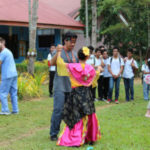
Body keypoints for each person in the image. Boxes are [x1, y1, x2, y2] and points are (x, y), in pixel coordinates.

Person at [56, 46, 101, 147]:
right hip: (86, 94)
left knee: (76, 115)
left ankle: (76, 139)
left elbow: (60, 64)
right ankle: (90, 137)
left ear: (77, 56)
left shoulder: (72, 67)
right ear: (87, 57)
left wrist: (59, 52)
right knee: (89, 114)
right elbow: (95, 76)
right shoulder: (90, 69)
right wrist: (98, 69)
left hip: (76, 94)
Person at [49, 32, 78, 141]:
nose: (73, 44)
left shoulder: (75, 54)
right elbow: (52, 63)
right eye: (71, 42)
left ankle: (70, 133)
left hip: (72, 87)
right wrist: (58, 52)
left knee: (71, 110)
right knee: (58, 110)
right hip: (60, 86)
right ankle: (53, 133)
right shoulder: (58, 51)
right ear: (65, 41)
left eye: (74, 42)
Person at [0, 37, 18, 115]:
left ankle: (5, 110)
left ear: (2, 43)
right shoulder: (8, 51)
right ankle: (15, 110)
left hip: (7, 75)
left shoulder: (3, 53)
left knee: (2, 93)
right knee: (13, 93)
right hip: (13, 74)